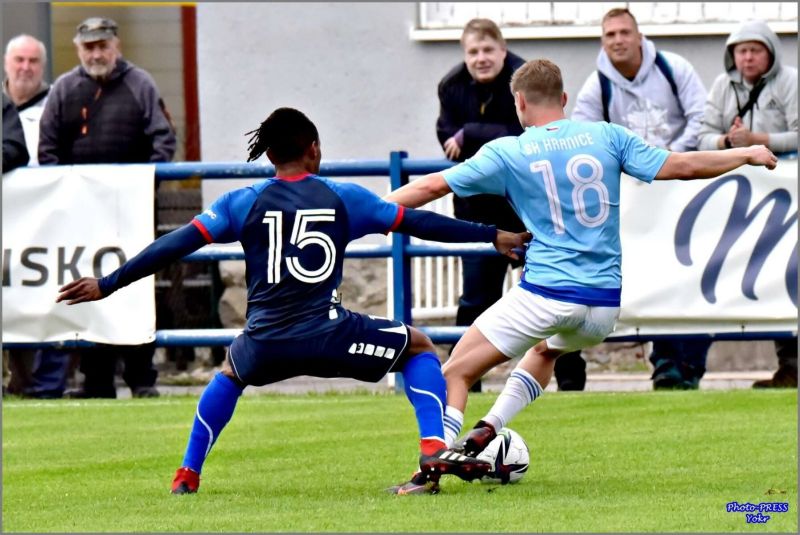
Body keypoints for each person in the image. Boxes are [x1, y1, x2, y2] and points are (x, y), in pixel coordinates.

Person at [56, 108, 532, 495]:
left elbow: (175, 244)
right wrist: (493, 236)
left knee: (229, 374)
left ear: (268, 155)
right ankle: (431, 449)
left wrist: (110, 282)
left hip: (265, 344)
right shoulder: (344, 198)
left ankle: (187, 475)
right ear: (314, 150)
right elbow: (421, 223)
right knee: (419, 347)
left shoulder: (240, 203)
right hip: (333, 336)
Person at [384, 59, 777, 467]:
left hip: (548, 294)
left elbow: (431, 186)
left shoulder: (509, 151)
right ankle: (489, 427)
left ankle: (434, 464)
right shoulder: (607, 135)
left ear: (519, 102)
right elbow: (684, 165)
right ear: (565, 99)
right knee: (545, 351)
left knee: (457, 372)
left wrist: (366, 212)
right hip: (602, 308)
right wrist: (745, 153)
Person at [571, 7, 711, 390]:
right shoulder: (596, 86)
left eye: (623, 32)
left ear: (638, 36)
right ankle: (665, 365)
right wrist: (635, 167)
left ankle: (689, 368)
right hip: (635, 205)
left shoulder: (674, 68)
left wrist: (667, 160)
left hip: (684, 194)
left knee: (689, 276)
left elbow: (702, 118)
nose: (617, 40)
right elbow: (585, 138)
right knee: (650, 279)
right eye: (609, 34)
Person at [38, 17, 176, 398]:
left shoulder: (140, 84)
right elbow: (47, 150)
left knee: (137, 289)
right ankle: (95, 381)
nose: (96, 53)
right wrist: (68, 196)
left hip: (132, 213)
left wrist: (141, 188)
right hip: (82, 218)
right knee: (87, 292)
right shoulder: (64, 89)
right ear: (79, 49)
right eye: (89, 47)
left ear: (116, 46)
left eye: (102, 45)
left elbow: (163, 142)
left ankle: (141, 378)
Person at [437, 18, 544, 391]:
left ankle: (572, 383)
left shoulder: (526, 78)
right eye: (473, 52)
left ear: (503, 50)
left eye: (487, 50)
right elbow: (445, 136)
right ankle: (464, 383)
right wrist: (473, 136)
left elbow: (527, 134)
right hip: (478, 210)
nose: (481, 58)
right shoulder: (451, 86)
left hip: (527, 207)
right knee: (475, 300)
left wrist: (472, 134)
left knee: (555, 295)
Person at [696, 20, 797, 388]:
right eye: (741, 50)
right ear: (732, 55)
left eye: (755, 49)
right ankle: (688, 370)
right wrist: (727, 143)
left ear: (770, 52)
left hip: (786, 199)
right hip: (739, 200)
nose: (748, 56)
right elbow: (702, 135)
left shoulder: (790, 82)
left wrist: (757, 139)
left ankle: (792, 365)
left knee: (787, 275)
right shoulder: (723, 87)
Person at [4, 34, 50, 166]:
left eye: (33, 61)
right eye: (19, 60)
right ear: (6, 63)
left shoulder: (57, 102)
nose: (25, 67)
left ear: (43, 66)